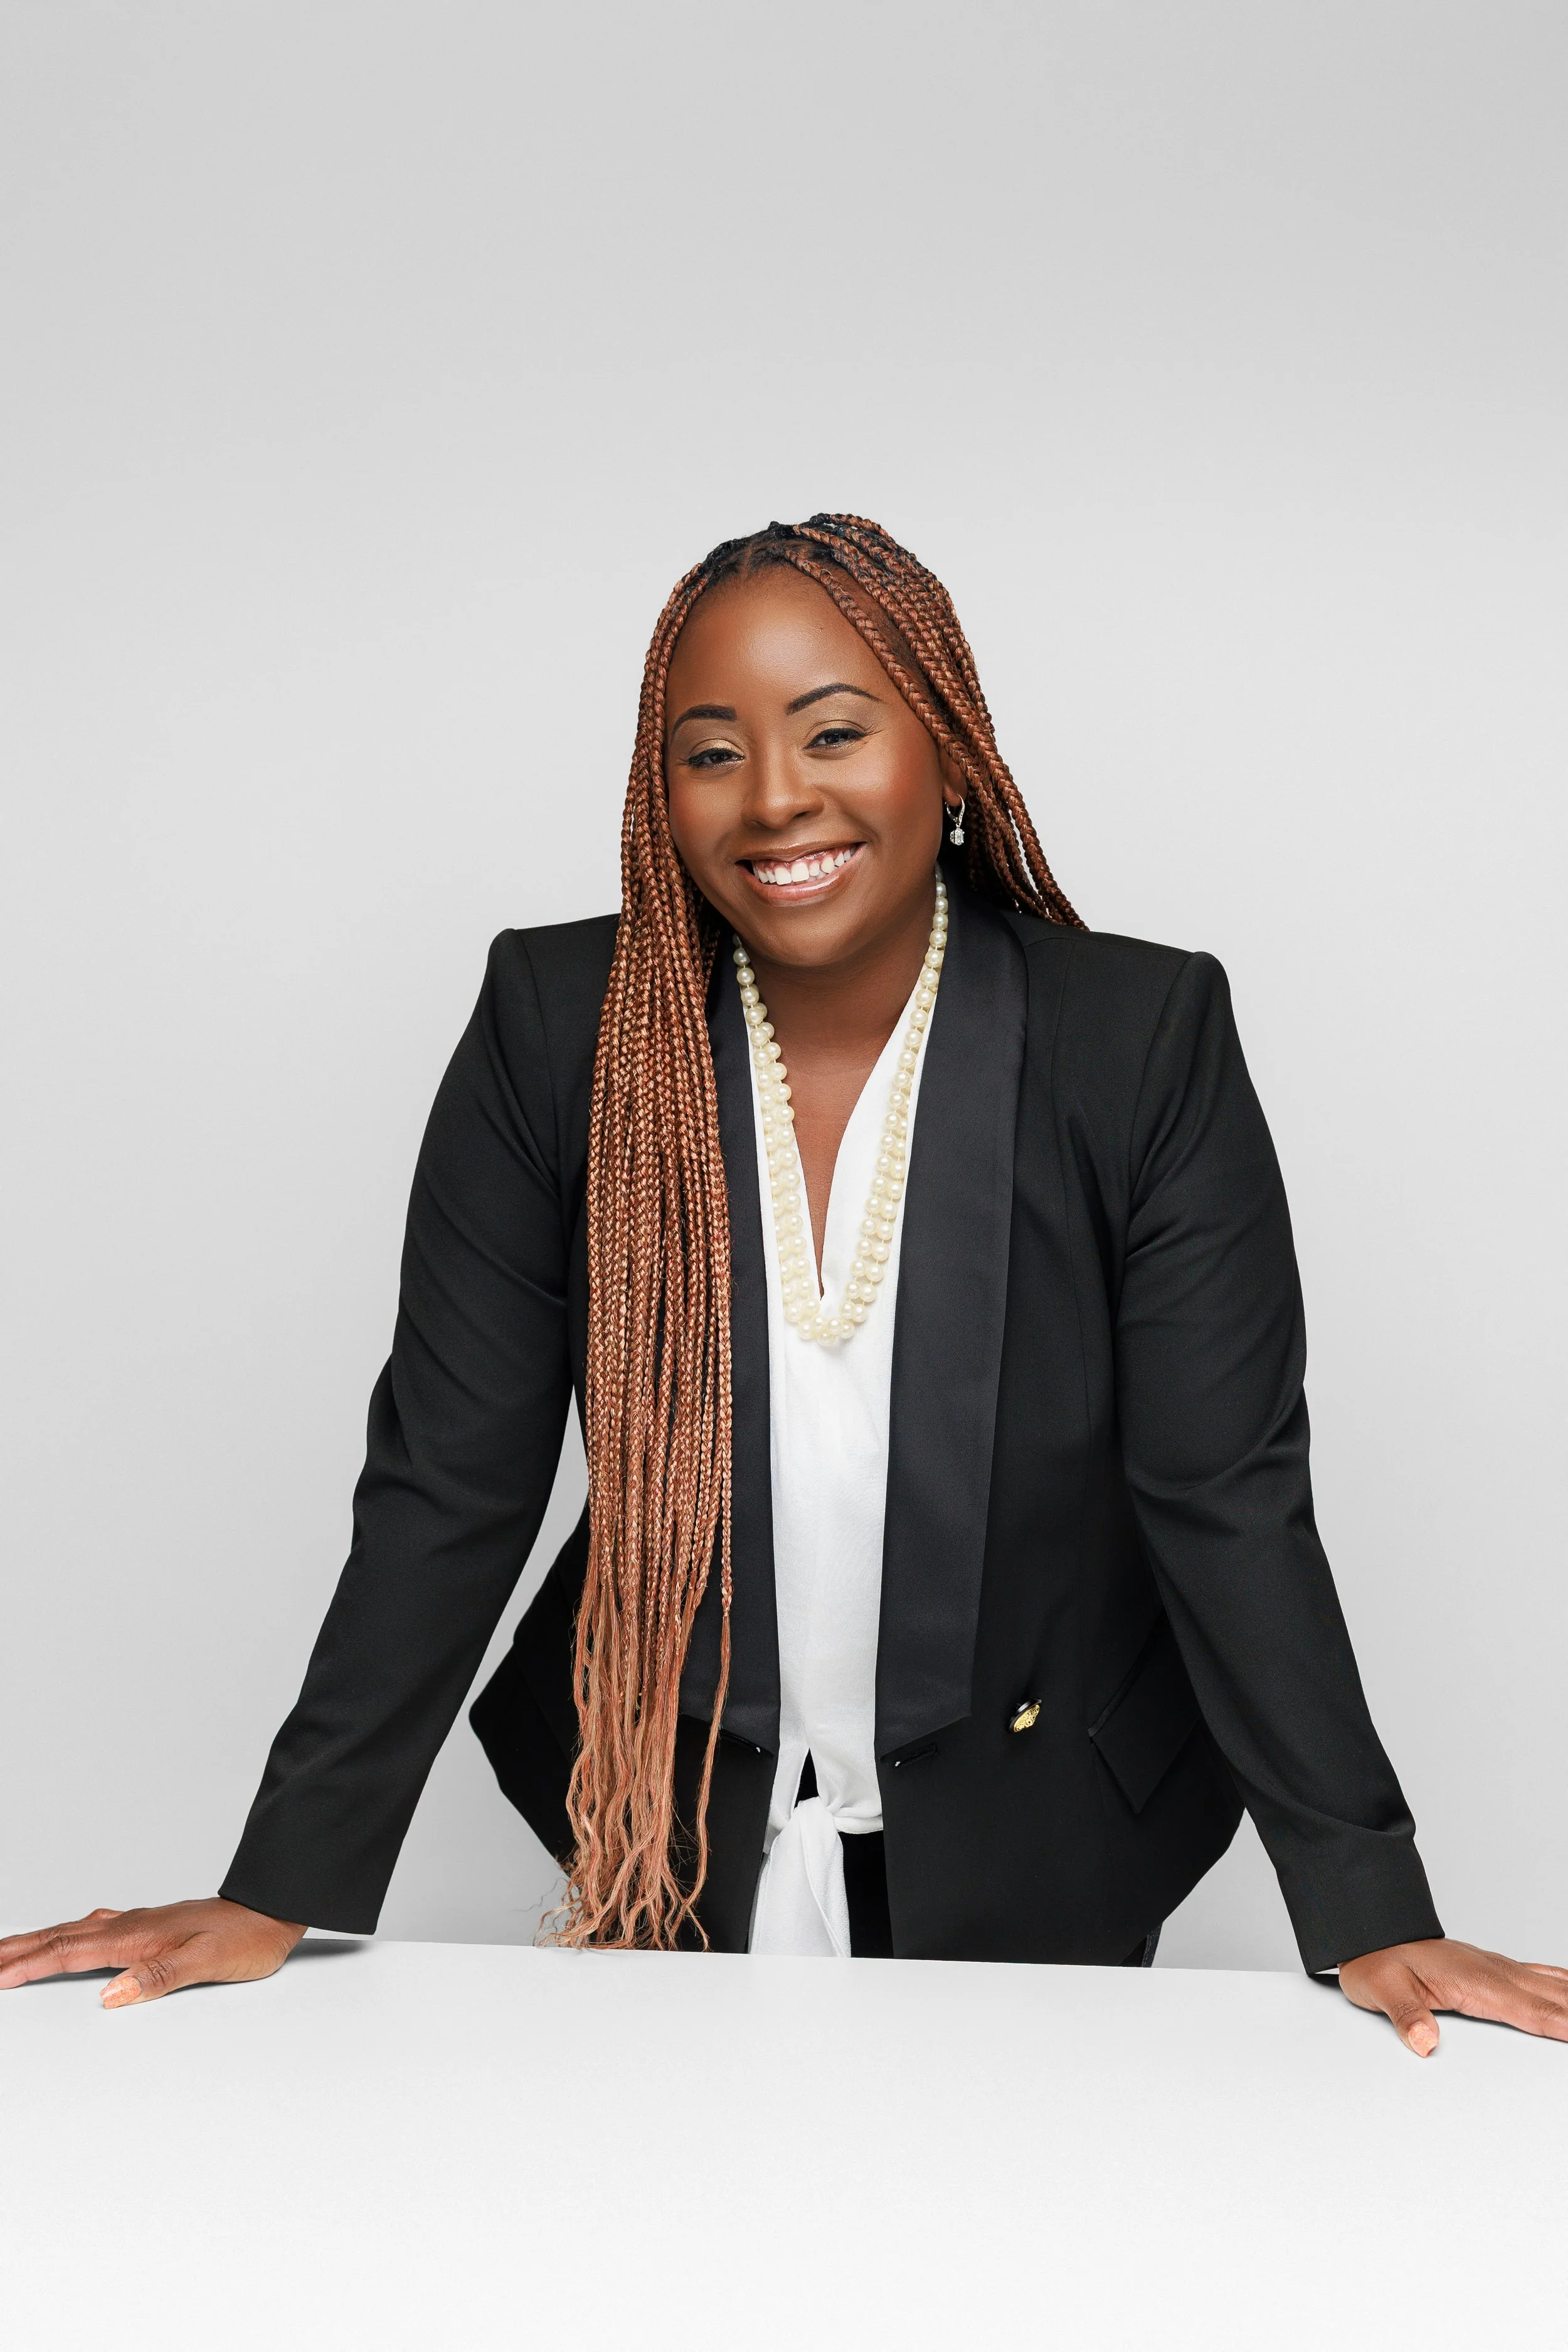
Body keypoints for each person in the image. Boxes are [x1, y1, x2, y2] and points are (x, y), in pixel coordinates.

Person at [4, 514, 1564, 2057]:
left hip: (1048, 1821)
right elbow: (447, 1477)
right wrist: (282, 1885)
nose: (773, 799)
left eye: (833, 730)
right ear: (656, 792)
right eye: (708, 752)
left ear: (944, 750)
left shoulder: (1135, 1039)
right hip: (653, 1802)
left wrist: (1368, 1898)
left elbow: (1221, 1488)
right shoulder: (560, 1030)